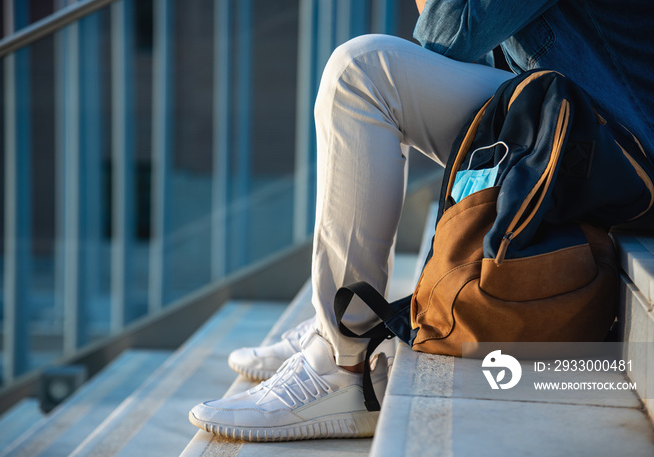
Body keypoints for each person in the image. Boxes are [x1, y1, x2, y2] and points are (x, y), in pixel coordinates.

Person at [189, 0, 654, 441]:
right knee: (376, 74)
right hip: (568, 121)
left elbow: (444, 38)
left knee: (363, 71)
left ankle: (341, 363)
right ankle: (337, 322)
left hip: (617, 145)